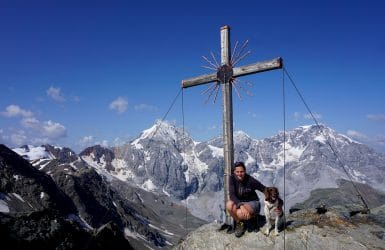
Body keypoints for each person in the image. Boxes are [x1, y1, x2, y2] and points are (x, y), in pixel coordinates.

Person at [226, 161, 266, 237]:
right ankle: (239, 223)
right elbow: (232, 195)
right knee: (229, 205)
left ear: (245, 171)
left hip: (253, 203)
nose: (239, 174)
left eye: (242, 171)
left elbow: (264, 189)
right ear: (234, 172)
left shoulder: (250, 180)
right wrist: (241, 206)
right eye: (237, 172)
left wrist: (276, 203)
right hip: (240, 203)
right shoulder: (232, 178)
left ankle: (253, 217)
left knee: (239, 213)